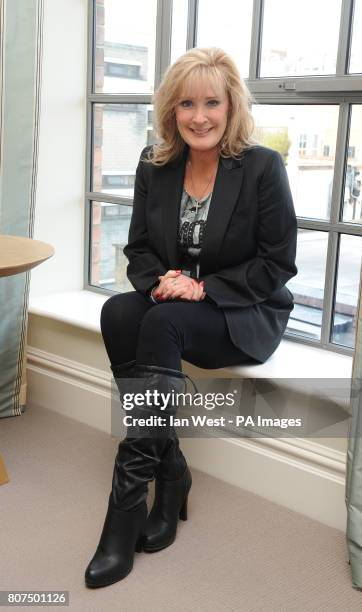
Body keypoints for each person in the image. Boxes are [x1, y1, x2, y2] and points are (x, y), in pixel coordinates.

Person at [84, 47, 298, 588]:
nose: (199, 116)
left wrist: (201, 287)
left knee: (159, 324)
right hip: (173, 301)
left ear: (230, 107)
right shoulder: (155, 166)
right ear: (171, 110)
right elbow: (137, 248)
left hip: (242, 311)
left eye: (211, 103)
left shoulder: (261, 167)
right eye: (186, 103)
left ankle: (124, 508)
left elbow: (277, 263)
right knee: (117, 313)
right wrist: (163, 282)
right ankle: (171, 472)